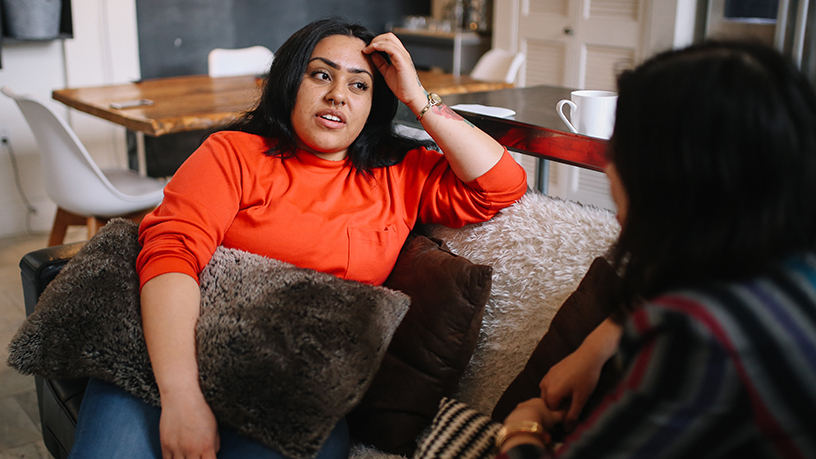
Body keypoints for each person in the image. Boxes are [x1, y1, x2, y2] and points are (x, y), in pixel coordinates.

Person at [68, 17, 527, 459]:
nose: (336, 96)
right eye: (320, 75)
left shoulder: (401, 174)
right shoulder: (232, 153)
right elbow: (171, 255)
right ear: (291, 82)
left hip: (292, 384)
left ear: (376, 101)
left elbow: (504, 184)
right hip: (175, 358)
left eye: (359, 84)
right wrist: (181, 397)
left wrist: (418, 98)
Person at [496, 41, 816, 458]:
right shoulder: (782, 266)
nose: (609, 168)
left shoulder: (700, 338)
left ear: (672, 180)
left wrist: (523, 428)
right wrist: (598, 346)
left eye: (622, 149)